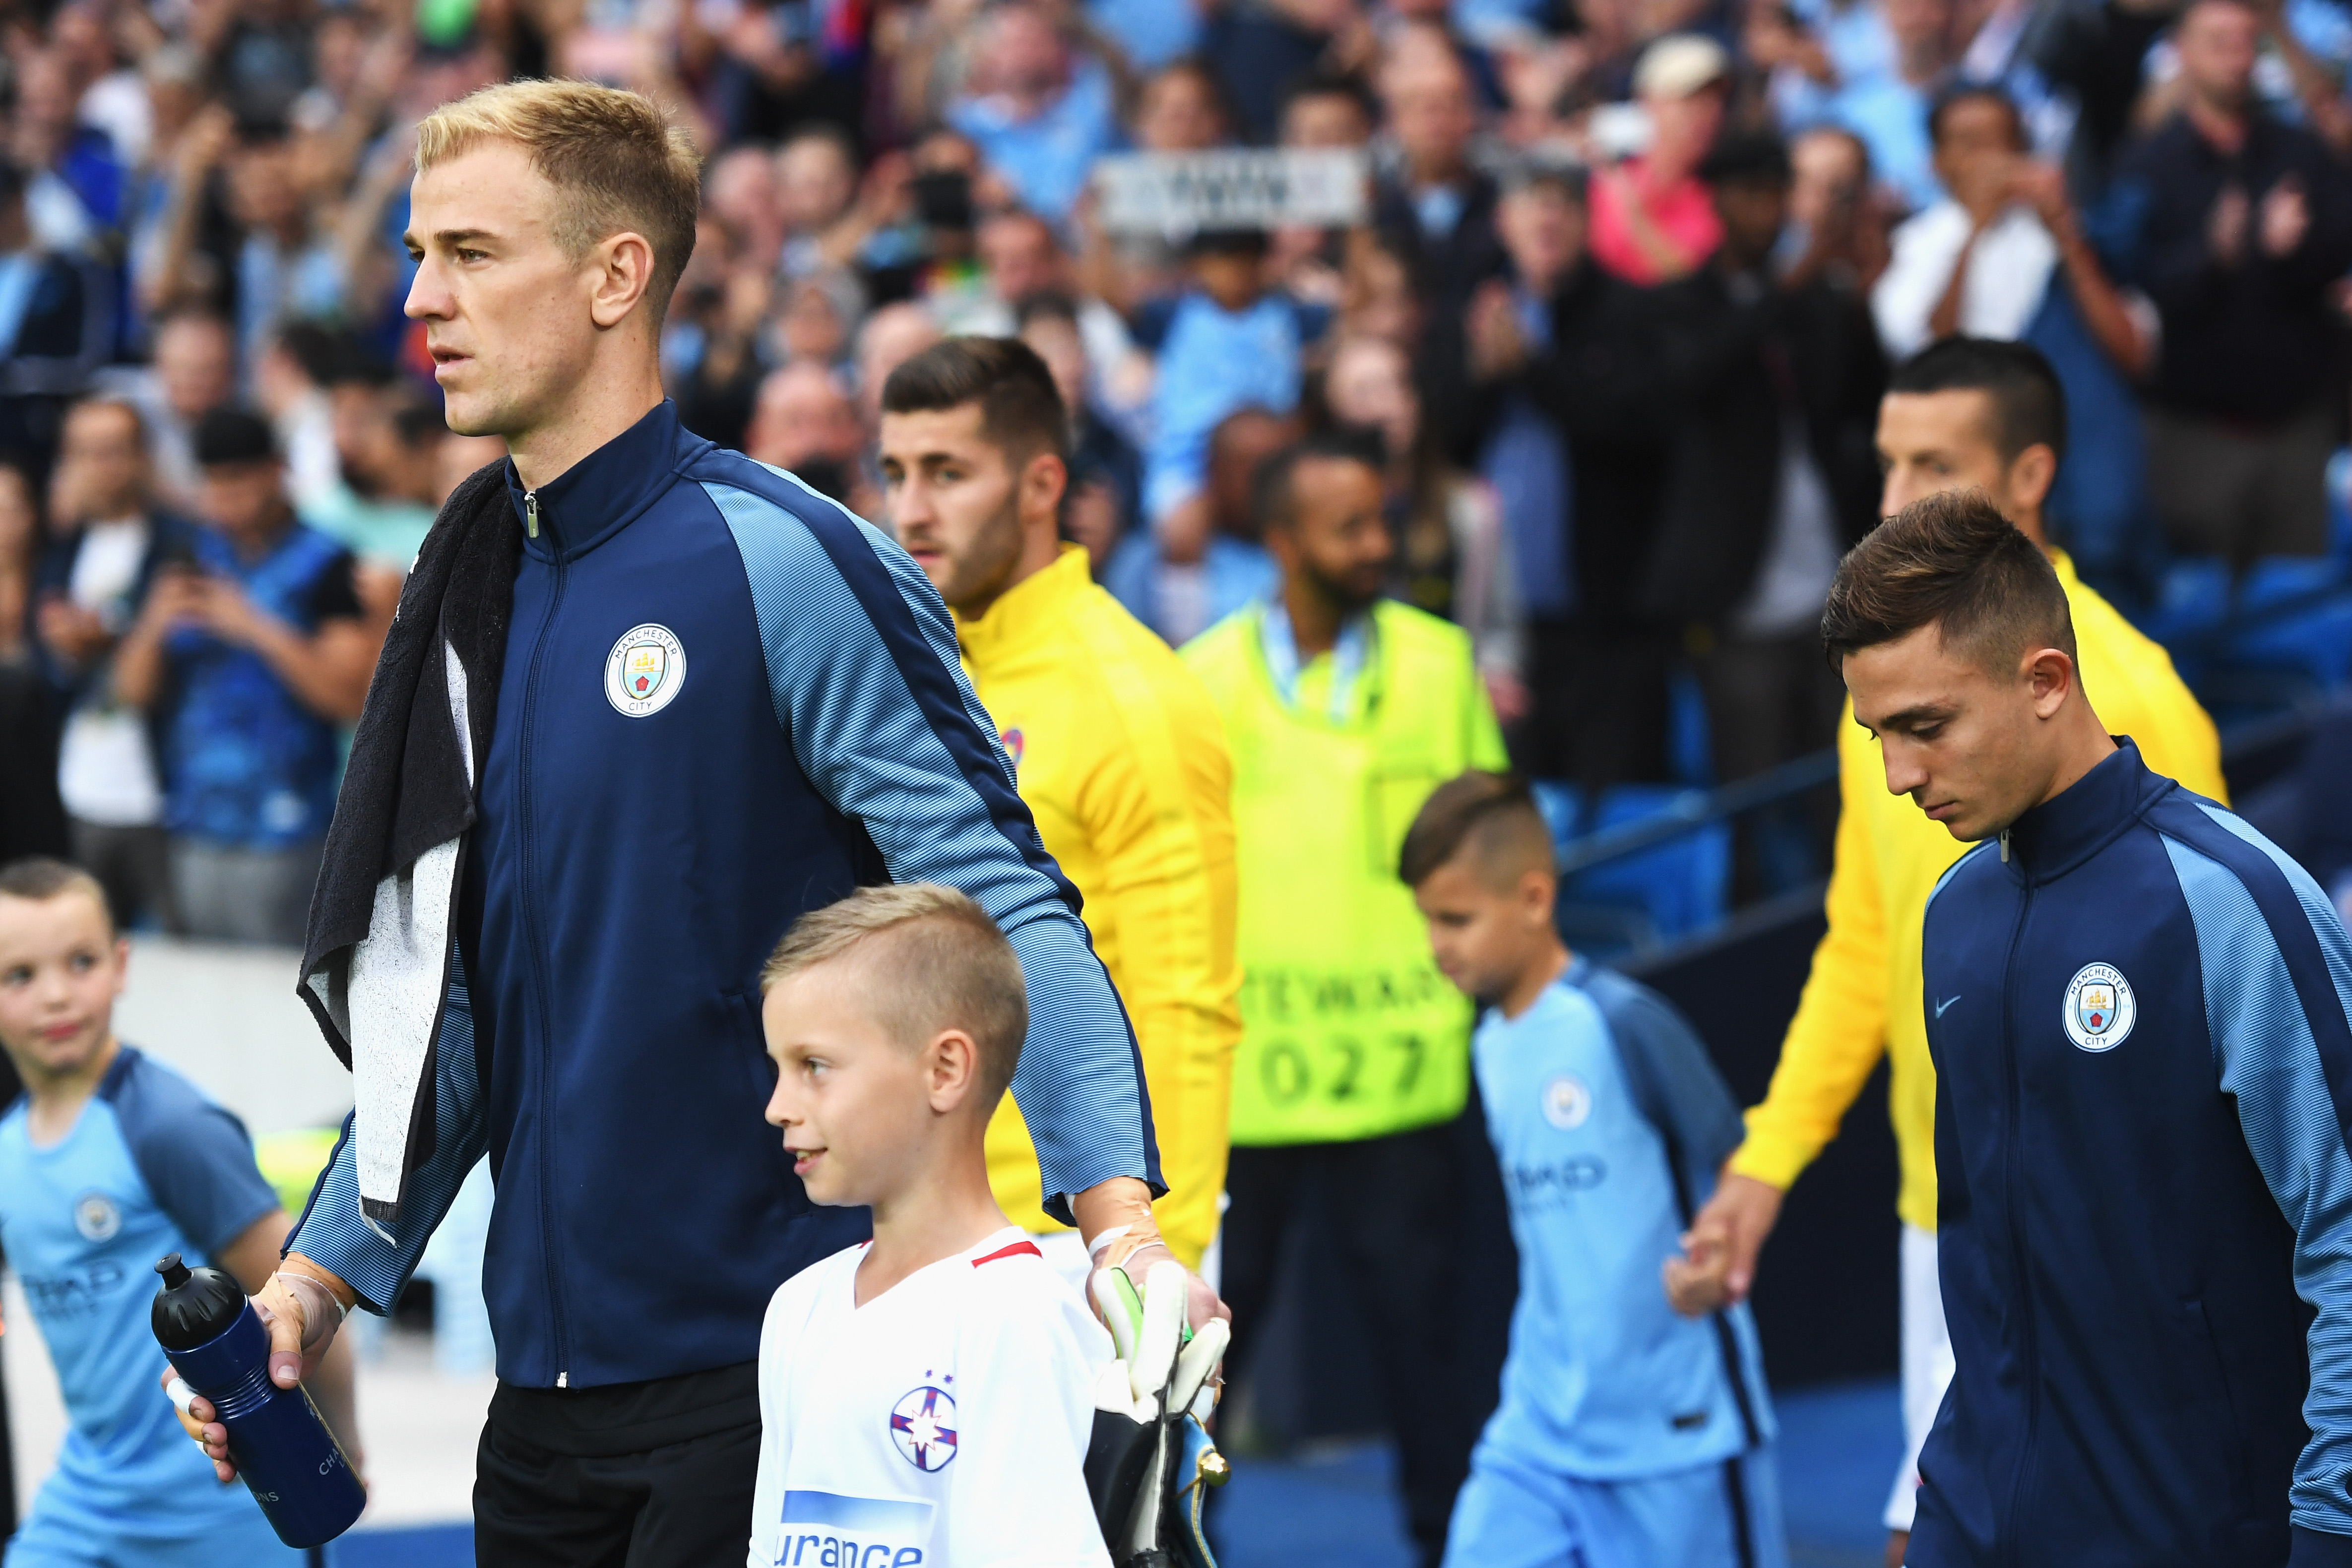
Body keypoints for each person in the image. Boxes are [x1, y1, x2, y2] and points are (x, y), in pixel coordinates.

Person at [169, 82, 1214, 1568]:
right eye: (417, 253)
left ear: (616, 276)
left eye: (468, 253)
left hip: (776, 1373)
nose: (418, 299)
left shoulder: (785, 557)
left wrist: (1120, 1229)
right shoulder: (467, 589)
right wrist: (315, 1288)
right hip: (536, 1401)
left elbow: (999, 897)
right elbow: (459, 1008)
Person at [1677, 335, 2227, 1568]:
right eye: (1886, 462)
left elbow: (2213, 1014)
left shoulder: (2139, 693)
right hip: (1944, 1215)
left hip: (2112, 1245)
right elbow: (1857, 942)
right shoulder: (1879, 689)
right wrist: (1764, 1165)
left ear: (2028, 475)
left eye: (1935, 462)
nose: (1893, 497)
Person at [1826, 492, 2352, 1564]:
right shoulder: (1953, 912)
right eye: (1876, 733)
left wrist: (2331, 1521)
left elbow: (2345, 1233)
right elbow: (1982, 1258)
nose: (1898, 774)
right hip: (1978, 1523)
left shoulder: (2235, 899)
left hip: (2202, 1531)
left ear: (2046, 681)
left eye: (1927, 726)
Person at [1184, 426, 1509, 1565]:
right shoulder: (1204, 679)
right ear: (1279, 542)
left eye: (1383, 518)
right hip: (1249, 1087)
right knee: (1199, 1373)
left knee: (1432, 1372)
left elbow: (1496, 850)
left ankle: (1454, 1549)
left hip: (1402, 1082)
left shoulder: (1435, 662)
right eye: (1350, 526)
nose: (1380, 543)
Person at [876, 336, 1241, 1285]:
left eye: (948, 473)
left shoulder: (1135, 699)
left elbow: (1185, 1012)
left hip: (1056, 1250)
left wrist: (1161, 1268)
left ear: (1042, 486)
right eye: (895, 472)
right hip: (904, 1225)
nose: (911, 509)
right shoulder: (907, 669)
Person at [1402, 773, 1786, 1568]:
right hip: (1537, 1430)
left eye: (1457, 919)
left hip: (1674, 1433)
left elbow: (1740, 1161)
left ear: (1536, 900)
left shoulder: (1623, 1021)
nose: (1439, 943)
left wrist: (1720, 1258)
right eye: (1428, 921)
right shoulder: (1488, 1044)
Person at [0, 856, 357, 1568]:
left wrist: (346, 1449)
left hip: (227, 1508)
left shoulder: (168, 1124)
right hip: (90, 1503)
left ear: (122, 963)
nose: (56, 996)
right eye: (20, 976)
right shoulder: (8, 1148)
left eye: (81, 962)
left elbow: (298, 1294)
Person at [747, 883, 1111, 1568]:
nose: (777, 1106)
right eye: (778, 1068)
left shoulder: (1010, 1318)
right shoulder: (799, 1306)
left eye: (814, 1067)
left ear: (945, 1070)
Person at [1646, 130, 1885, 892]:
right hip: (1737, 597)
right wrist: (1791, 291)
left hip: (1829, 587)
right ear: (1716, 204)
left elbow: (1863, 402)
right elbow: (1692, 377)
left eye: (1776, 194)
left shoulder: (1816, 298)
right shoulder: (1684, 304)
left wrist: (1852, 300)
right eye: (1749, 194)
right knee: (1748, 796)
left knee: (1846, 791)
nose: (1765, 211)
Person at [110, 408, 377, 946]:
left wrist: (253, 625)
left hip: (289, 828)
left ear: (275, 470)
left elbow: (351, 697)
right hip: (192, 825)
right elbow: (129, 693)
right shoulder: (184, 557)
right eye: (212, 482)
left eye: (239, 479)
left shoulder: (325, 562)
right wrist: (153, 623)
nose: (224, 497)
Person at [1870, 86, 2154, 586]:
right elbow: (1928, 355)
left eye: (1998, 142)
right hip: (1982, 518)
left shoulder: (2073, 231)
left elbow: (2133, 351)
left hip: (2088, 500)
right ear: (1935, 162)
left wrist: (2066, 232)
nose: (1986, 159)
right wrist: (1974, 232)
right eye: (1967, 142)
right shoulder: (1918, 245)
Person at [2107, 0, 2352, 571]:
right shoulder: (2148, 162)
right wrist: (2210, 255)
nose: (2237, 59)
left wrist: (2294, 249)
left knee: (2297, 602)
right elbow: (2128, 286)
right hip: (2196, 433)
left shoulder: (2297, 149)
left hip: (2296, 426)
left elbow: (2342, 245)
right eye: (2220, 42)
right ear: (2182, 53)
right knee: (2200, 610)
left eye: (2248, 43)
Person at [34, 398, 192, 933]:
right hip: (79, 787)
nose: (102, 466)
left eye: (115, 451)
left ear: (143, 455)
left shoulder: (178, 543)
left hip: (161, 793)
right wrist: (64, 648)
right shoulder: (60, 549)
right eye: (86, 452)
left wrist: (116, 634)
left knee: (182, 954)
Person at [1587, 35, 1729, 286]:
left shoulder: (1721, 197)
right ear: (1649, 102)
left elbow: (1692, 287)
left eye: (1715, 100)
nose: (1708, 113)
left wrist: (1635, 217)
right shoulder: (1602, 181)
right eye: (1690, 99)